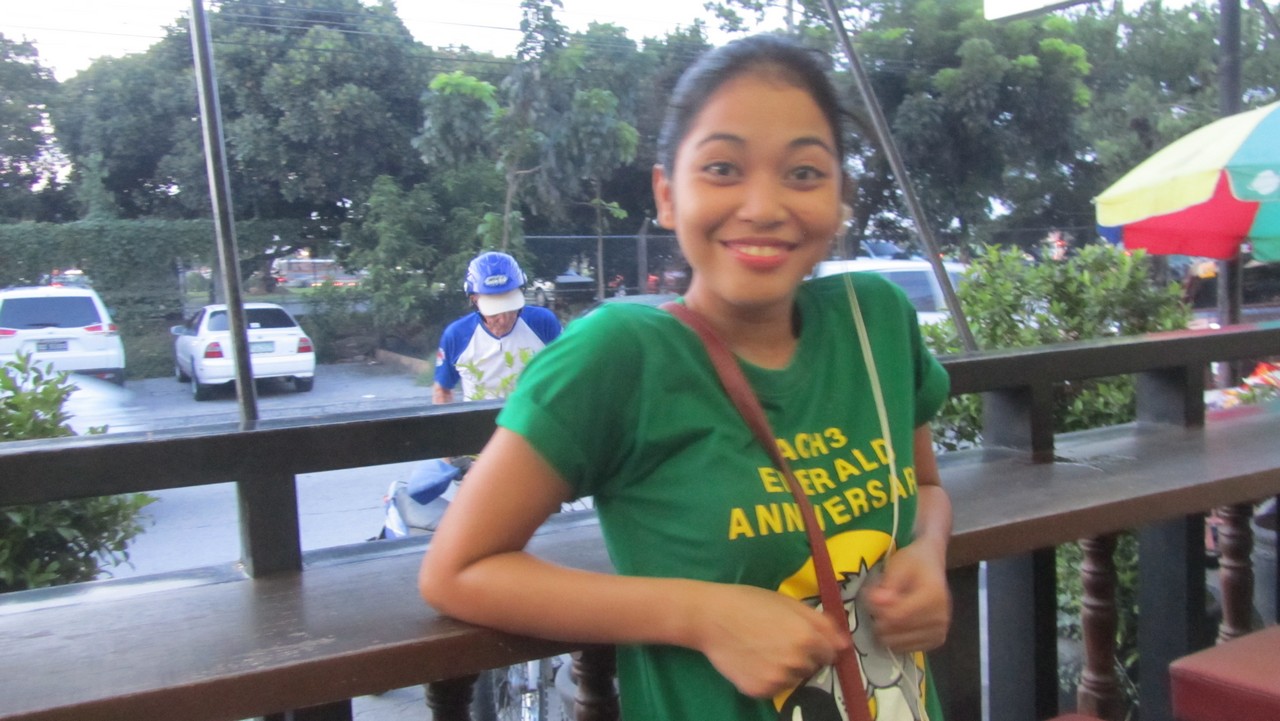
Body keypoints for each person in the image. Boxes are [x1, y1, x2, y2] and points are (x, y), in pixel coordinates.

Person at [419, 34, 952, 721]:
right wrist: (701, 615)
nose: (764, 205)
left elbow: (926, 488)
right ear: (668, 196)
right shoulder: (619, 355)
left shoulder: (873, 321)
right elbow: (457, 570)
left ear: (841, 197)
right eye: (723, 168)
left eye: (803, 173)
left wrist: (926, 553)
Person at [432, 251, 562, 404]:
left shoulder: (543, 322)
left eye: (511, 307)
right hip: (476, 416)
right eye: (494, 311)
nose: (503, 319)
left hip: (532, 415)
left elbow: (567, 371)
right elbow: (442, 391)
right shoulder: (456, 335)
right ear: (475, 300)